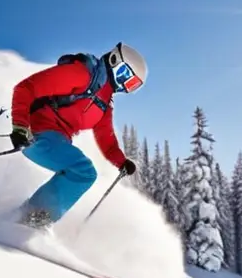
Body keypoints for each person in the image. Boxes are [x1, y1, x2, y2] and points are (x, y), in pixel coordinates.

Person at [8, 42, 147, 228]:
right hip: (34, 132)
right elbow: (26, 88)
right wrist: (19, 127)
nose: (123, 84)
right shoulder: (82, 74)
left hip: (56, 139)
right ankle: (31, 218)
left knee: (83, 172)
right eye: (124, 75)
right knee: (83, 171)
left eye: (131, 85)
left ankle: (29, 218)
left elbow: (107, 141)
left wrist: (121, 162)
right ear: (114, 60)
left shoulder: (104, 105)